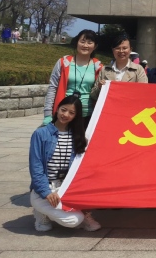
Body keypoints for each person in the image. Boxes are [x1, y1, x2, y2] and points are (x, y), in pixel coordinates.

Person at [29, 95, 101, 232]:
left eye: (71, 113)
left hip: (67, 187)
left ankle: (81, 213)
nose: (66, 115)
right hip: (47, 187)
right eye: (63, 110)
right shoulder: (40, 134)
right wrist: (46, 192)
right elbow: (36, 167)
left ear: (76, 116)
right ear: (57, 109)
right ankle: (41, 212)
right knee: (67, 222)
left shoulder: (78, 136)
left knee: (77, 217)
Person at [43, 30, 103, 128]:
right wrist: (48, 114)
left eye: (89, 43)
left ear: (95, 46)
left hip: (87, 115)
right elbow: (52, 88)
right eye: (82, 41)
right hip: (64, 115)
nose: (85, 45)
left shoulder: (99, 67)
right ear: (77, 43)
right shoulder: (63, 63)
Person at [90, 35, 148, 101]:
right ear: (113, 50)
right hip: (109, 106)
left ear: (130, 50)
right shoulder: (105, 69)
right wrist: (99, 87)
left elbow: (144, 92)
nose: (121, 51)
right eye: (117, 48)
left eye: (124, 48)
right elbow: (93, 95)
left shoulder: (138, 69)